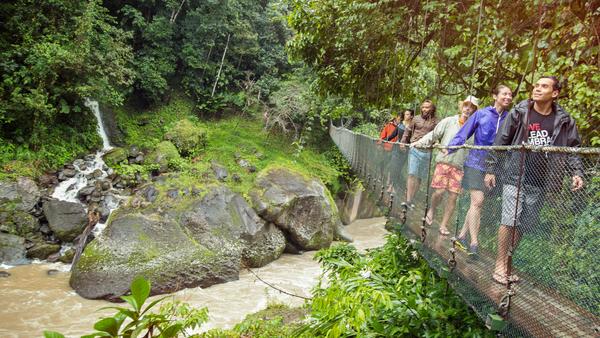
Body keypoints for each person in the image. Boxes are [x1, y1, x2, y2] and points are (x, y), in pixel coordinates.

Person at [484, 76, 584, 285]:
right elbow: (502, 139)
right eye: (536, 85)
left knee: (523, 225)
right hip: (515, 175)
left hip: (542, 180)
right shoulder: (520, 112)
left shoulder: (564, 120)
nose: (537, 89)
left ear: (554, 93)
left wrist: (576, 171)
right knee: (509, 219)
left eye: (544, 86)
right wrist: (491, 168)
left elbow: (574, 147)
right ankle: (500, 266)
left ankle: (507, 261)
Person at [446, 85, 513, 254]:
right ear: (494, 96)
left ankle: (461, 235)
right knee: (478, 201)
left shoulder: (511, 118)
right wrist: (451, 147)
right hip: (476, 163)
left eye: (510, 95)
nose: (508, 97)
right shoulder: (481, 114)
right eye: (504, 94)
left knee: (477, 205)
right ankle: (474, 243)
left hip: (495, 166)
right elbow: (465, 131)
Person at [413, 96, 479, 235]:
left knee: (453, 197)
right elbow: (434, 134)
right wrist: (419, 143)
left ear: (474, 110)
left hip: (459, 166)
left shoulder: (474, 129)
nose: (468, 108)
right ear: (462, 106)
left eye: (471, 107)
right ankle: (432, 209)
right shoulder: (449, 121)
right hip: (444, 162)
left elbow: (476, 147)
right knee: (440, 192)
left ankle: (443, 225)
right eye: (466, 105)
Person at [400, 100, 438, 207]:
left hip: (427, 151)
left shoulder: (436, 121)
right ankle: (408, 200)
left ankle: (411, 198)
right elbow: (407, 131)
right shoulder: (416, 118)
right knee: (412, 174)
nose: (425, 109)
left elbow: (439, 134)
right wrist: (403, 142)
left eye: (427, 107)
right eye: (423, 107)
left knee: (419, 178)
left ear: (432, 108)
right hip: (415, 149)